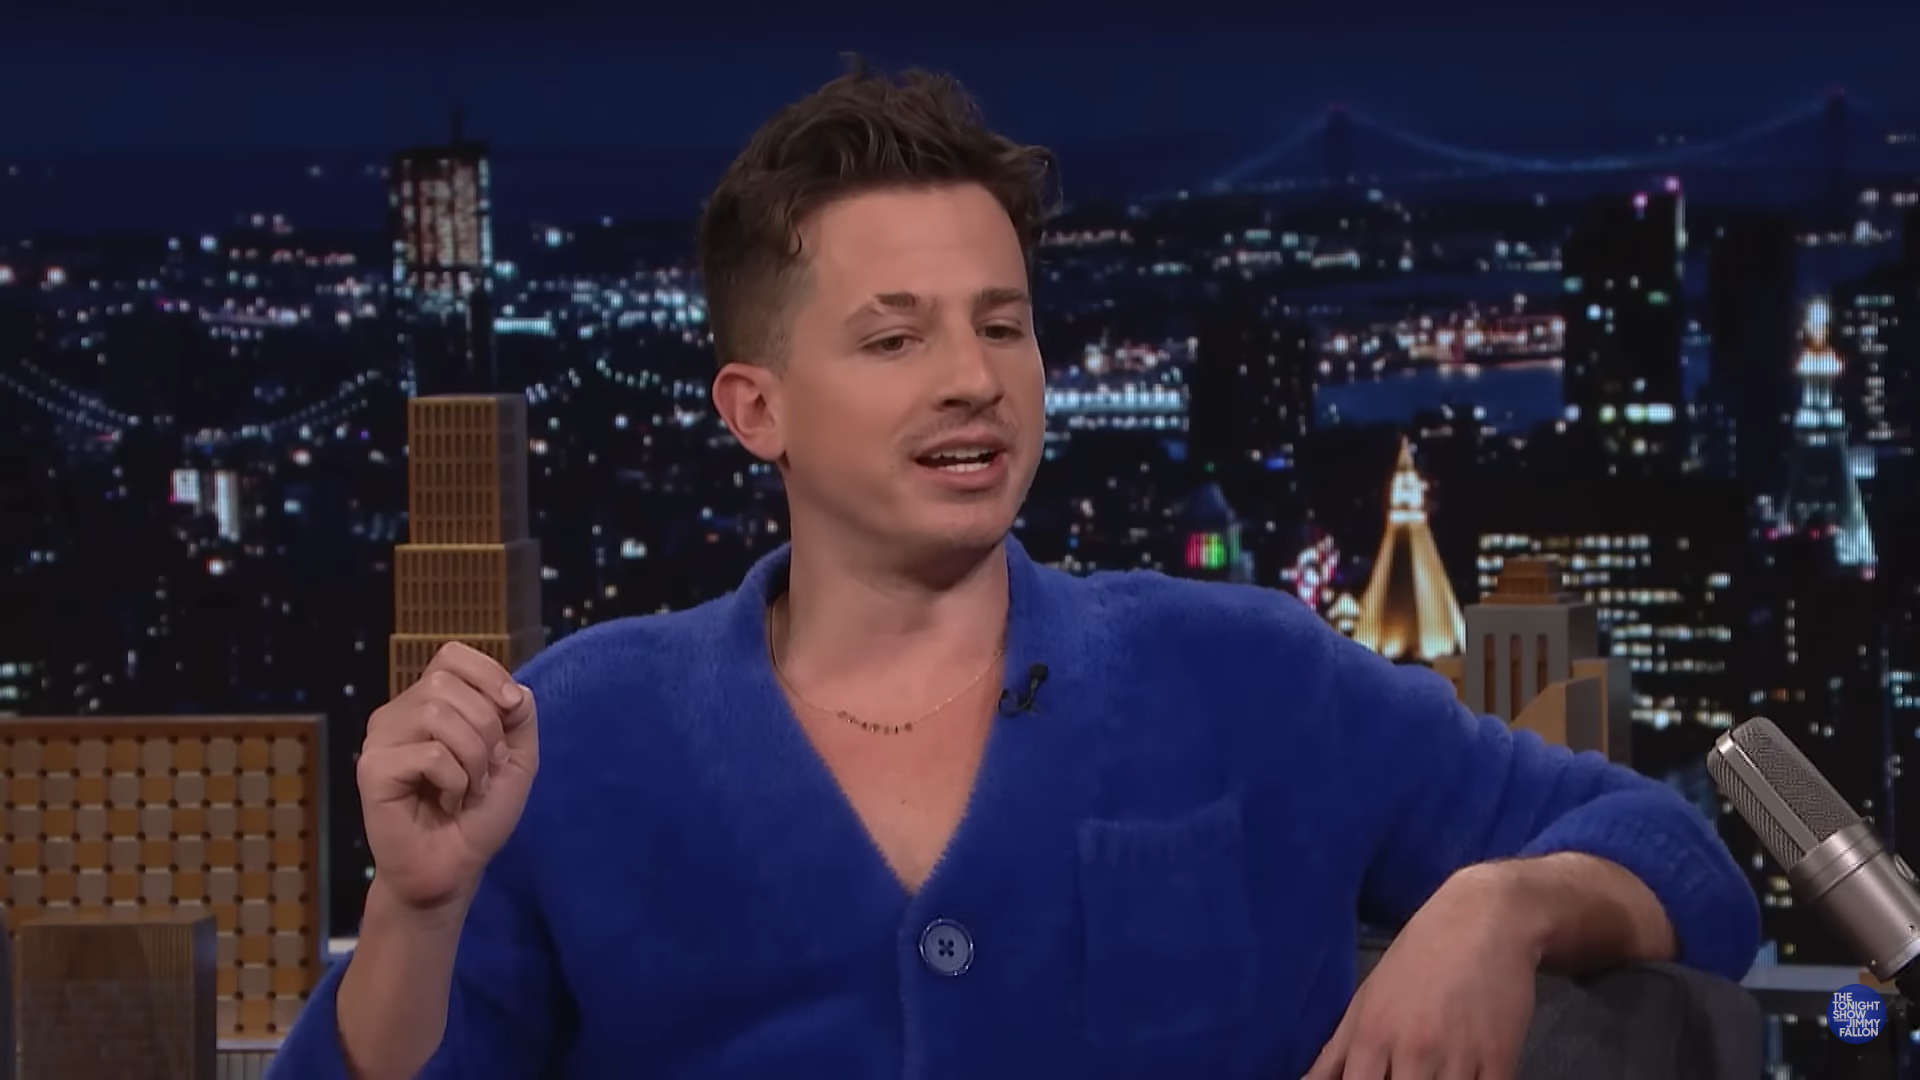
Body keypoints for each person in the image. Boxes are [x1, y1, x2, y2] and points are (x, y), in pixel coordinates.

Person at [270, 61, 1759, 1080]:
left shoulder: (1246, 670)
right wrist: (414, 910)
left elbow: (1676, 856)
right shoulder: (579, 728)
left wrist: (1500, 907)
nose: (974, 379)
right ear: (755, 409)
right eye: (895, 336)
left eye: (1004, 324)